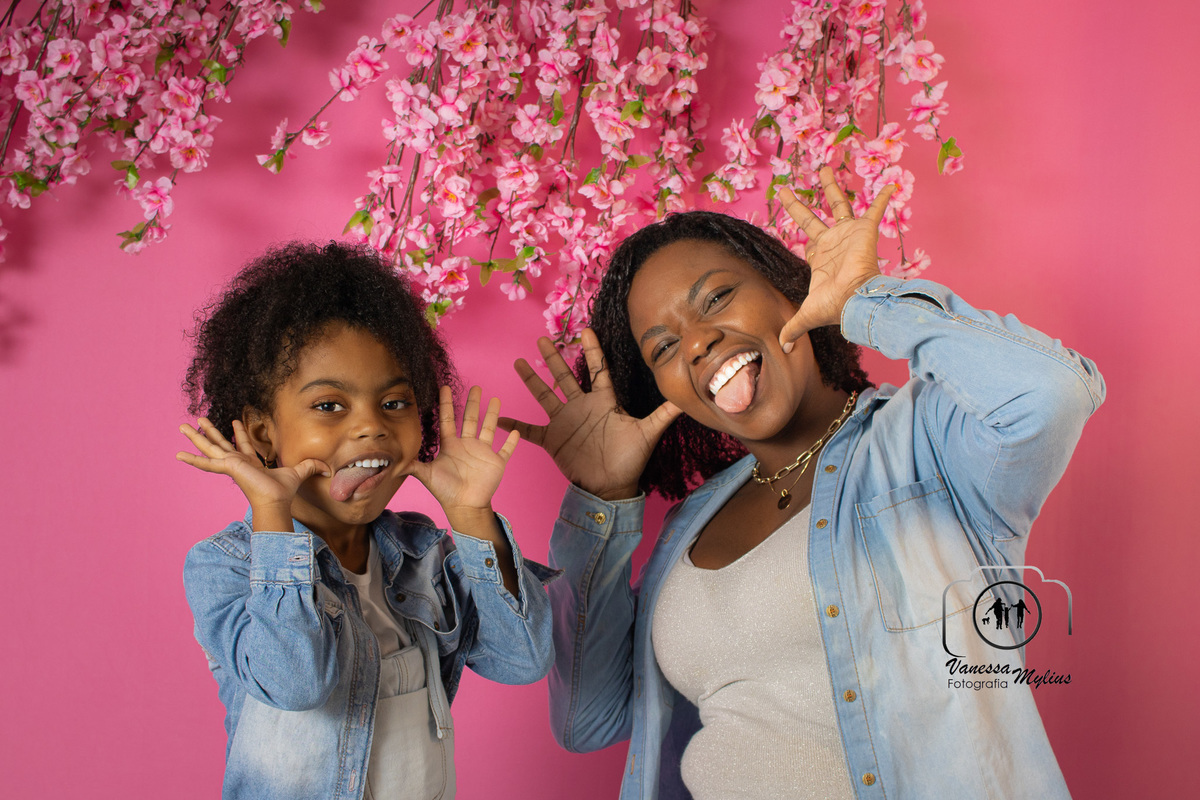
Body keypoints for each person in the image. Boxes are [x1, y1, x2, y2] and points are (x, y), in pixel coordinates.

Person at [502, 168, 1103, 799]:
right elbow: (587, 722)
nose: (700, 342)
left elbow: (1050, 397)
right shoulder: (688, 529)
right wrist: (604, 500)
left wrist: (866, 302)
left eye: (716, 299)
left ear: (789, 291)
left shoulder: (925, 444)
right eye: (664, 347)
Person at [179, 242, 556, 800]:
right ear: (262, 433)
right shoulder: (223, 566)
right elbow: (296, 682)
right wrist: (272, 513)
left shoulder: (426, 555)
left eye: (395, 403)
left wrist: (472, 516)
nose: (371, 428)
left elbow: (520, 660)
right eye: (330, 405)